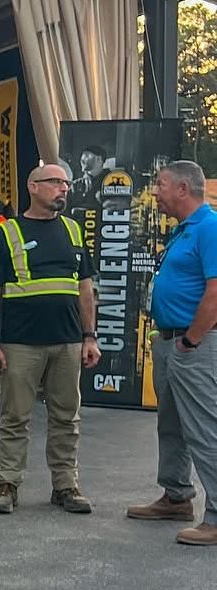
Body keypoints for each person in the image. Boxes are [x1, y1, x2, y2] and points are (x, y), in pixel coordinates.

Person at [0, 163, 99, 515]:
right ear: (32, 186)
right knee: (15, 416)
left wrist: (89, 337)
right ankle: (7, 484)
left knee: (67, 417)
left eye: (66, 183)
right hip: (22, 343)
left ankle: (66, 485)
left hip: (67, 341)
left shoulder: (74, 232)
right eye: (55, 182)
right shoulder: (6, 233)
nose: (63, 188)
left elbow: (85, 289)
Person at [126, 159, 217, 545]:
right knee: (173, 425)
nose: (155, 192)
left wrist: (191, 340)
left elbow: (215, 292)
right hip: (171, 341)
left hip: (194, 344)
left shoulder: (209, 227)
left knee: (204, 428)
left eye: (160, 184)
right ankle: (176, 495)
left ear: (183, 188)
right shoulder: (182, 231)